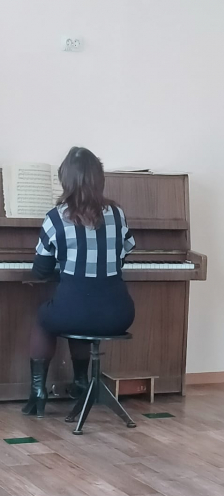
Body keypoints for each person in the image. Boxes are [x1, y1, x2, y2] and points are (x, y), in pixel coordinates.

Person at [22, 147, 135, 419]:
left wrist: (65, 267)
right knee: (81, 309)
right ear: (99, 178)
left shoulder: (55, 217)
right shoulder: (117, 214)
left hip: (76, 311)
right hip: (119, 314)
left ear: (66, 180)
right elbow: (124, 254)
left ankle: (38, 392)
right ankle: (81, 383)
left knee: (47, 317)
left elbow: (41, 270)